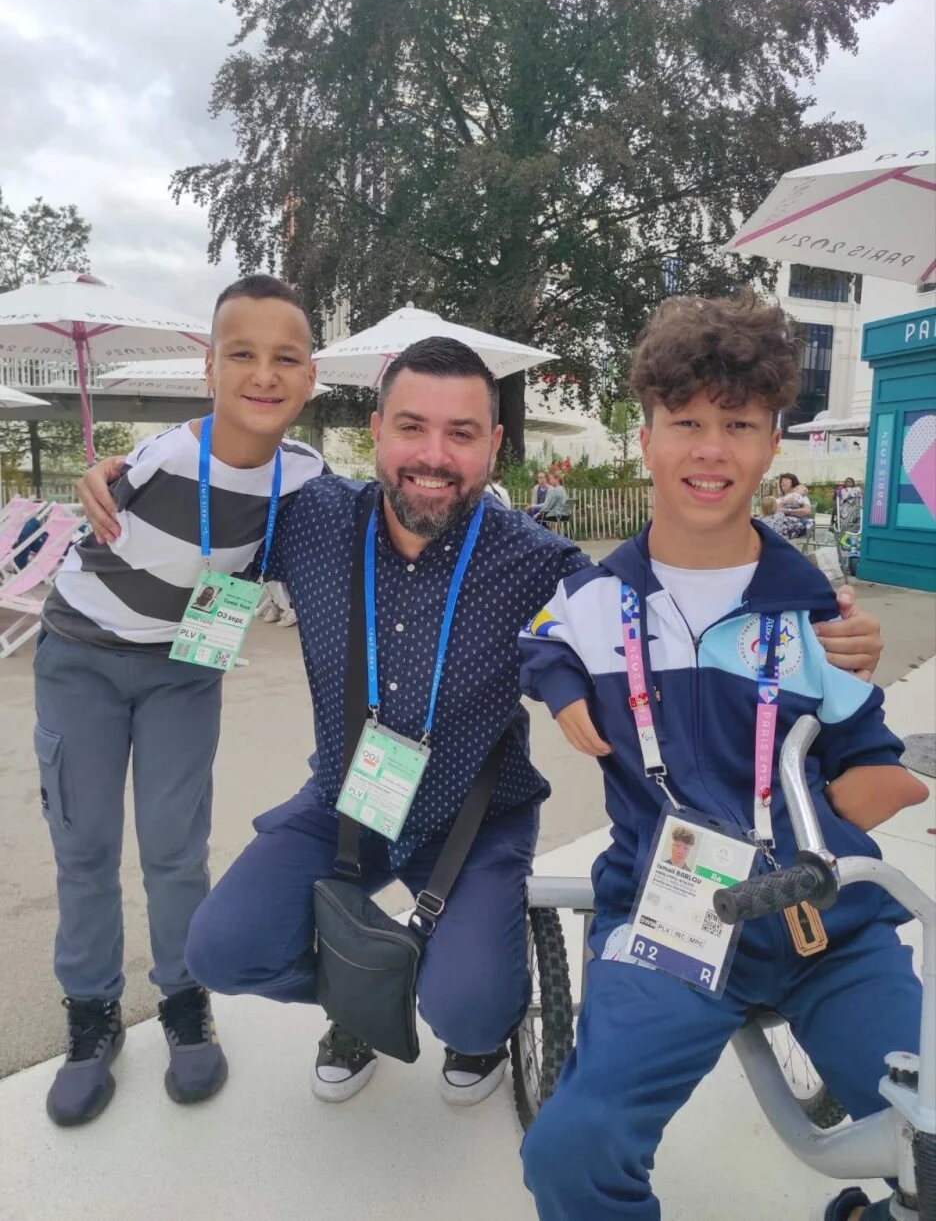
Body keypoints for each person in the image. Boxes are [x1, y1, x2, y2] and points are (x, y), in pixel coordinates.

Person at [77, 339, 885, 1113]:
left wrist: (808, 620)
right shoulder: (313, 518)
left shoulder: (539, 561)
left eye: (461, 433)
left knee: (470, 1010)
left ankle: (462, 1013)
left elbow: (667, 609)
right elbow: (215, 513)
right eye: (412, 427)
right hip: (346, 800)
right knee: (220, 948)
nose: (434, 455)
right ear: (376, 430)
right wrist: (129, 476)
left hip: (476, 814)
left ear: (494, 445)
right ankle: (361, 999)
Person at [517, 294, 926, 1221]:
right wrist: (562, 681)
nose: (711, 449)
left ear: (773, 441)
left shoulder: (817, 612)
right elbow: (536, 640)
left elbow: (871, 758)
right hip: (671, 920)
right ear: (646, 438)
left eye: (738, 424)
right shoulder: (591, 600)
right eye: (686, 422)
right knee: (570, 1153)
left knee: (931, 1137)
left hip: (829, 929)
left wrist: (832, 818)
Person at [37, 274, 324, 1127]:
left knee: (175, 846)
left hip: (183, 670)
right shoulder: (160, 458)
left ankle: (184, 998)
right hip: (82, 658)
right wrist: (93, 475)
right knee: (85, 845)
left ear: (311, 376)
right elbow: (92, 506)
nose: (263, 375)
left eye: (286, 358)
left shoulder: (306, 478)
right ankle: (91, 1013)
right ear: (210, 367)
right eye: (242, 354)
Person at [772, 471, 813, 540]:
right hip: (777, 522)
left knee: (774, 532)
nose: (782, 482)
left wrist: (787, 510)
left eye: (786, 479)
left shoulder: (801, 497)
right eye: (781, 480)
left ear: (793, 482)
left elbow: (806, 511)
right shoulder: (778, 499)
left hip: (793, 524)